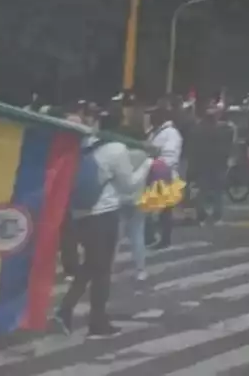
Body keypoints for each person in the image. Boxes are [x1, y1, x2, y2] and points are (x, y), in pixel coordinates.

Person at [56, 128, 152, 337]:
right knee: (101, 270)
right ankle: (95, 321)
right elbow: (129, 186)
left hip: (80, 214)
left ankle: (66, 310)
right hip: (104, 214)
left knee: (91, 265)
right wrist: (147, 164)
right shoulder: (116, 149)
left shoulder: (84, 145)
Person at [146, 108, 182, 249]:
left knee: (161, 209)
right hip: (156, 172)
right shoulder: (157, 132)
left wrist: (155, 163)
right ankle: (158, 237)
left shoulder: (170, 133)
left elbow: (170, 156)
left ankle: (161, 238)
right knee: (161, 209)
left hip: (164, 174)